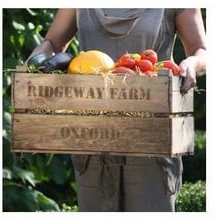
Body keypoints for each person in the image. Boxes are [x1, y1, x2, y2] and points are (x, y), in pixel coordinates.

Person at [27, 8, 206, 212]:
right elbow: (53, 43)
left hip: (151, 138)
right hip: (92, 135)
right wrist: (35, 63)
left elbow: (201, 49)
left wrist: (192, 63)